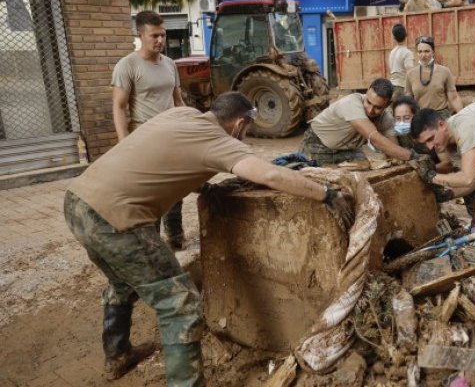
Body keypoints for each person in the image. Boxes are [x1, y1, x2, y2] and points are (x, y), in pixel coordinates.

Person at [63, 92, 354, 385]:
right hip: (115, 221)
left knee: (122, 283)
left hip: (78, 202)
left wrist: (205, 188)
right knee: (180, 304)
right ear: (240, 123)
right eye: (247, 131)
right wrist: (326, 194)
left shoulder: (183, 115)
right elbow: (271, 176)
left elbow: (168, 157)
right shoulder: (219, 141)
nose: (245, 137)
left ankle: (118, 355)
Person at [112, 10, 187, 250]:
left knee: (176, 187)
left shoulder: (170, 64)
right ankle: (152, 243)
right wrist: (124, 142)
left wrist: (190, 126)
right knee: (151, 193)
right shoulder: (128, 65)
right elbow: (119, 106)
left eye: (163, 35)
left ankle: (175, 236)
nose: (160, 40)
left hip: (172, 136)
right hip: (144, 137)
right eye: (154, 35)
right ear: (140, 35)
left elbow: (178, 100)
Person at [299, 78, 414, 164]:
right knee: (327, 177)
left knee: (364, 166)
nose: (370, 110)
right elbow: (374, 137)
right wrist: (411, 156)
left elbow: (393, 147)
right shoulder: (351, 103)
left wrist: (399, 157)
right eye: (368, 102)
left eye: (378, 107)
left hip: (346, 149)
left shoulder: (386, 118)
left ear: (387, 105)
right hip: (316, 144)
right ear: (367, 91)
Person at [405, 36, 464, 118]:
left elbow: (453, 98)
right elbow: (408, 101)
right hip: (421, 118)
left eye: (427, 51)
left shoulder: (444, 71)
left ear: (433, 52)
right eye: (420, 51)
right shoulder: (410, 74)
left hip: (440, 117)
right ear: (417, 53)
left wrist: (463, 117)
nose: (423, 55)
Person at [388, 23, 416, 100]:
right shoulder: (407, 53)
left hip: (392, 85)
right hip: (402, 87)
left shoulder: (392, 52)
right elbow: (410, 72)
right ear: (406, 35)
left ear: (394, 37)